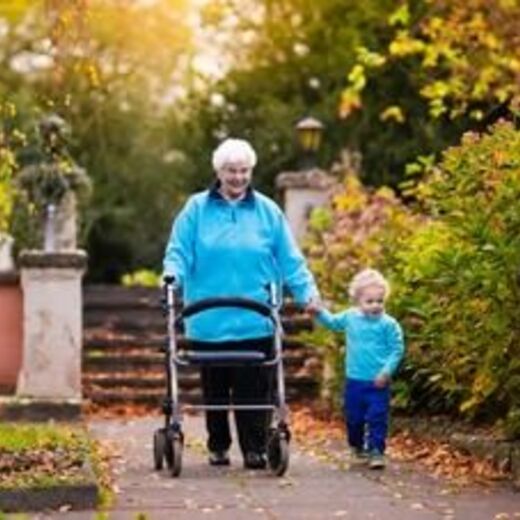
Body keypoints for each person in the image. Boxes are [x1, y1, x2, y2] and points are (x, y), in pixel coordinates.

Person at [163, 138, 319, 469]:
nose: (238, 178)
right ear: (218, 172)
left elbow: (290, 258)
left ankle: (256, 448)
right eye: (231, 171)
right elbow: (178, 250)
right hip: (208, 317)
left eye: (244, 171)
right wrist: (171, 277)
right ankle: (218, 444)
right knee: (215, 386)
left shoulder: (268, 211)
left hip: (256, 314)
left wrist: (307, 293)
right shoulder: (196, 209)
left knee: (254, 388)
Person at [308, 268, 404, 469]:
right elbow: (333, 323)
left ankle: (377, 451)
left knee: (378, 417)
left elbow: (397, 350)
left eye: (380, 301)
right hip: (355, 381)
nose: (375, 306)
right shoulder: (351, 317)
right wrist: (318, 312)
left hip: (378, 381)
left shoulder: (389, 324)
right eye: (370, 301)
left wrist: (387, 371)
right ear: (358, 301)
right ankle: (357, 447)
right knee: (354, 418)